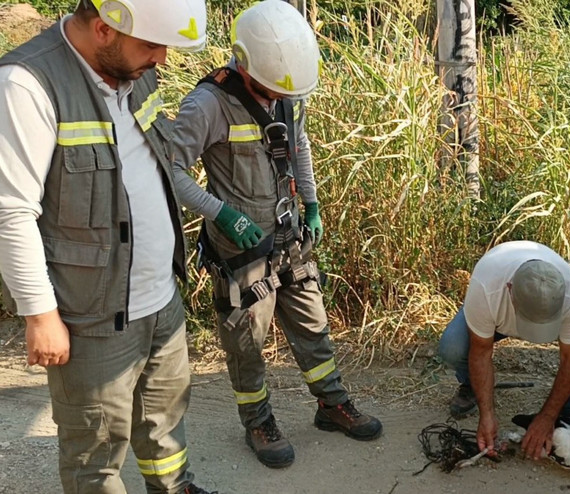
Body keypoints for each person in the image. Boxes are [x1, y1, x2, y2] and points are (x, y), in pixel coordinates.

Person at [0, 1, 213, 493]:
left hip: (160, 301)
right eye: (152, 45)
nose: (161, 58)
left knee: (164, 425)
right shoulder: (26, 85)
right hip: (91, 318)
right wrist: (39, 315)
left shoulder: (132, 70)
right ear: (103, 29)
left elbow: (155, 164)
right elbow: (11, 212)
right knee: (94, 454)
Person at [170, 0, 382, 469]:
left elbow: (298, 145)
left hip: (290, 238)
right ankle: (258, 422)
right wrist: (219, 213)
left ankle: (331, 403)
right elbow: (170, 168)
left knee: (314, 325)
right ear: (244, 63)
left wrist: (311, 201)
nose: (274, 97)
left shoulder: (285, 88)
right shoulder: (208, 104)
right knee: (246, 341)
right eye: (266, 88)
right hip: (241, 249)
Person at [437, 240, 570, 460]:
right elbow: (481, 353)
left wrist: (547, 417)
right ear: (510, 290)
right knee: (452, 347)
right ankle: (472, 386)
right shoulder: (487, 285)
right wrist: (487, 415)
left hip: (544, 309)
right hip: (495, 316)